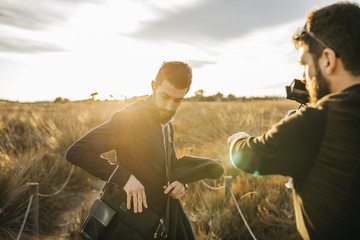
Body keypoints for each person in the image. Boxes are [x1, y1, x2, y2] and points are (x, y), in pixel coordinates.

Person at [228, 3, 360, 240]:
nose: (304, 77)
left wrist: (237, 140)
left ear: (328, 60)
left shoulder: (316, 124)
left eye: (305, 64)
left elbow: (248, 155)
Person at [66, 61, 224, 239]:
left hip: (160, 219)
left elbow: (168, 164)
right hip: (130, 223)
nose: (169, 107)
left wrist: (181, 183)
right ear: (153, 86)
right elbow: (77, 151)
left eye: (177, 100)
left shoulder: (167, 124)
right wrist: (124, 178)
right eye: (164, 96)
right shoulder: (130, 119)